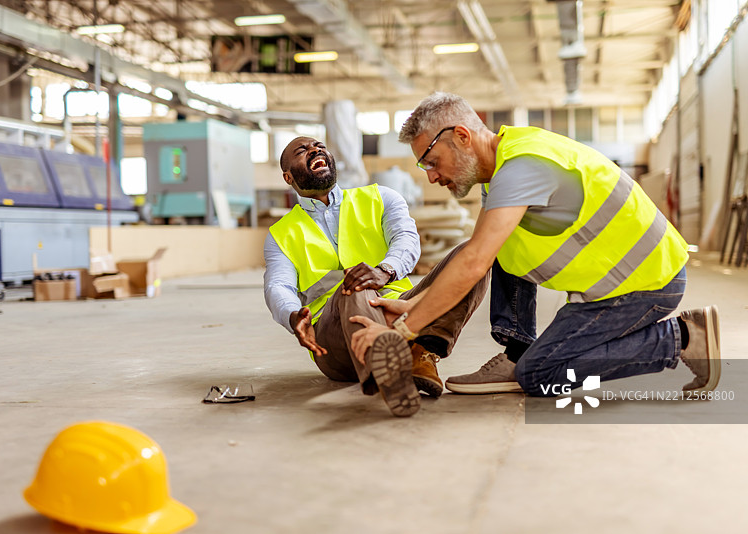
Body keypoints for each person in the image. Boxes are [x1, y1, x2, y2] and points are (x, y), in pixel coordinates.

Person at [350, 92, 720, 397]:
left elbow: (474, 263)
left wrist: (401, 331)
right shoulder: (508, 158)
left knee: (541, 374)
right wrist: (414, 303)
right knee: (494, 245)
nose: (431, 177)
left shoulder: (523, 168)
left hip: (645, 285)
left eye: (432, 161)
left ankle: (682, 338)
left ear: (462, 136)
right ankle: (518, 348)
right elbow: (482, 248)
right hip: (624, 281)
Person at [263, 136, 489, 416]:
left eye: (320, 146)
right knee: (354, 283)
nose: (315, 150)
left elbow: (405, 239)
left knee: (473, 254)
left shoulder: (381, 197)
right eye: (302, 150)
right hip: (334, 339)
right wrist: (292, 316)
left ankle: (421, 352)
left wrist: (384, 271)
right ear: (288, 176)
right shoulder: (280, 234)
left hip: (400, 311)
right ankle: (389, 373)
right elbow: (278, 285)